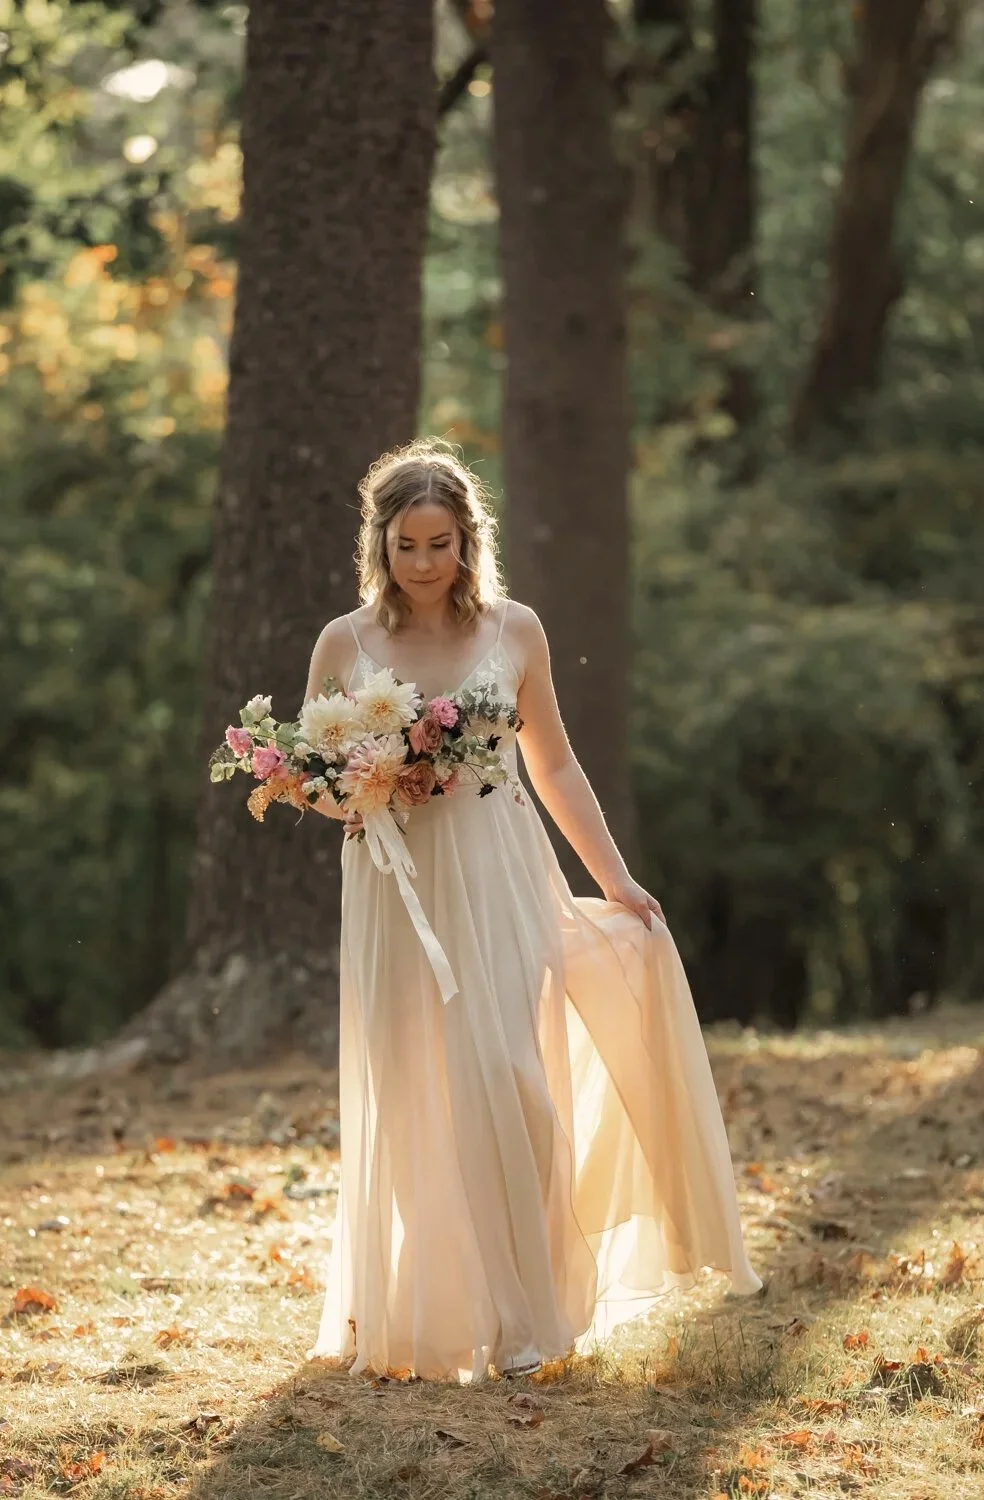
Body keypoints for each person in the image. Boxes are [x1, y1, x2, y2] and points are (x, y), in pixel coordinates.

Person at [301, 439, 761, 1384]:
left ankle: (526, 1312)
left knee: (514, 1081)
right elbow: (308, 774)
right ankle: (434, 1314)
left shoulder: (516, 631)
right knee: (417, 1093)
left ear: (469, 541)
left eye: (440, 544)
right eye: (406, 546)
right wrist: (363, 789)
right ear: (379, 545)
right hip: (398, 890)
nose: (423, 563)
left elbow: (553, 764)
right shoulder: (344, 643)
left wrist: (616, 878)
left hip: (503, 877)